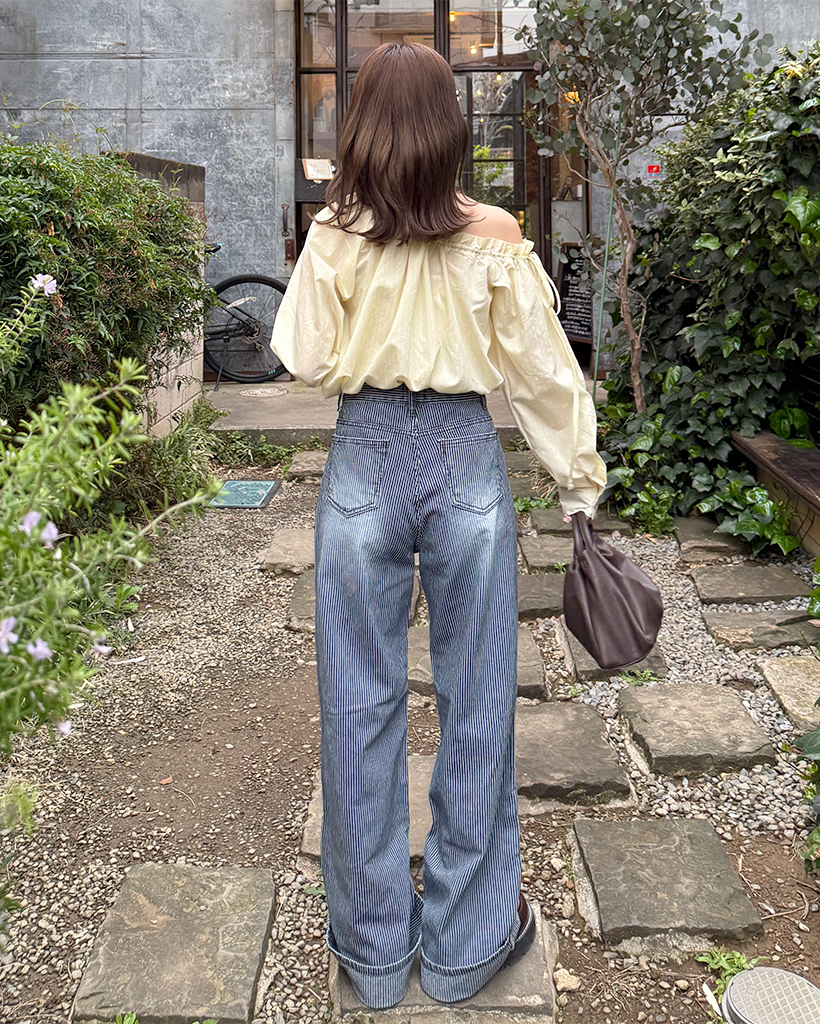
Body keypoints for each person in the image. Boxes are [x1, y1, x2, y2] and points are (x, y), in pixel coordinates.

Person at [270, 41, 606, 1010]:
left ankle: (374, 954)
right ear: (449, 128)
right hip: (464, 460)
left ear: (363, 127)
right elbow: (544, 375)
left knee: (357, 706)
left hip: (364, 460)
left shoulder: (336, 233)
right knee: (479, 701)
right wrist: (577, 484)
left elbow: (300, 356)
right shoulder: (494, 233)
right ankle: (466, 944)